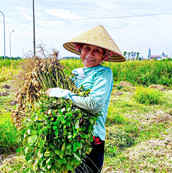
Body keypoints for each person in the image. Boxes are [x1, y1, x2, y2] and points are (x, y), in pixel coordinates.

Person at [46, 25, 126, 173]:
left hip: (91, 138)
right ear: (80, 49)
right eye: (87, 48)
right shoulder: (75, 73)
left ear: (104, 56)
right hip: (69, 136)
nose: (90, 54)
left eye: (97, 50)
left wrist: (59, 92)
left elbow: (93, 105)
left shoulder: (104, 73)